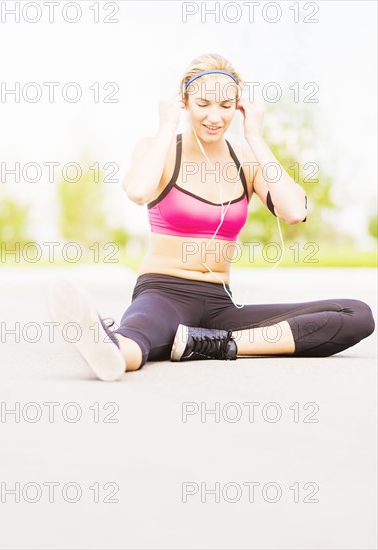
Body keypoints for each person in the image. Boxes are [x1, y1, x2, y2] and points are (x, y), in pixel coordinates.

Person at [48, 53, 375, 382]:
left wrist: (256, 138)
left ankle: (211, 344)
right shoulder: (158, 149)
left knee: (355, 315)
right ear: (184, 102)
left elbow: (294, 211)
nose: (214, 117)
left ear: (239, 106)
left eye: (225, 105)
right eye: (203, 103)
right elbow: (137, 190)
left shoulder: (246, 162)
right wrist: (166, 126)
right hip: (164, 293)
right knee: (137, 337)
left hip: (220, 307)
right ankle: (111, 349)